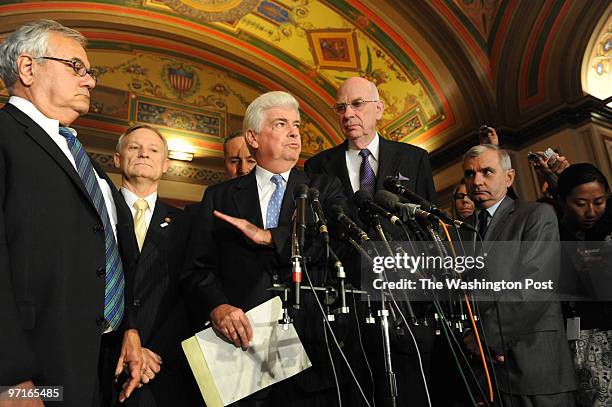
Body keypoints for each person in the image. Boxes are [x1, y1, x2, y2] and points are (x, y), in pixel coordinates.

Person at [0, 20, 141, 406]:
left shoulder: (88, 166)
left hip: (97, 365)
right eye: (76, 67)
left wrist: (128, 330)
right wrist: (9, 377)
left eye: (90, 72)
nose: (90, 81)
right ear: (28, 68)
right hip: (31, 373)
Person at [183, 91, 350, 406]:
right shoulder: (218, 197)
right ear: (253, 137)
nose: (294, 132)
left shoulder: (324, 188)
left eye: (296, 125)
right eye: (281, 123)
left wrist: (272, 237)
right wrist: (218, 307)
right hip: (242, 353)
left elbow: (336, 246)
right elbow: (197, 269)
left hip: (310, 351)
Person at [305, 76, 436, 407]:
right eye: (341, 107)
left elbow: (426, 228)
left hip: (406, 298)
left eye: (357, 104)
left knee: (411, 389)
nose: (348, 113)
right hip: (350, 298)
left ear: (379, 109)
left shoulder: (414, 158)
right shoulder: (318, 166)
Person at [461, 144, 576, 406]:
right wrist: (469, 338)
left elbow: (535, 286)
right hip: (485, 374)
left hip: (535, 366)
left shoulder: (536, 215)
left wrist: (485, 339)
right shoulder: (459, 231)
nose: (476, 181)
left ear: (509, 177)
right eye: (469, 174)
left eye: (486, 172)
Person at [112, 124, 201, 406]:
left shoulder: (187, 224)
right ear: (117, 158)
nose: (143, 154)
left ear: (165, 165)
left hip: (161, 369)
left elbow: (188, 293)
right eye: (134, 147)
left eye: (153, 150)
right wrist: (122, 345)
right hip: (103, 361)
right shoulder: (95, 210)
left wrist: (154, 352)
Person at [557, 163, 612, 407]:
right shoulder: (552, 236)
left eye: (599, 202)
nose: (591, 211)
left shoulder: (606, 228)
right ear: (562, 201)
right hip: (581, 338)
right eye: (580, 204)